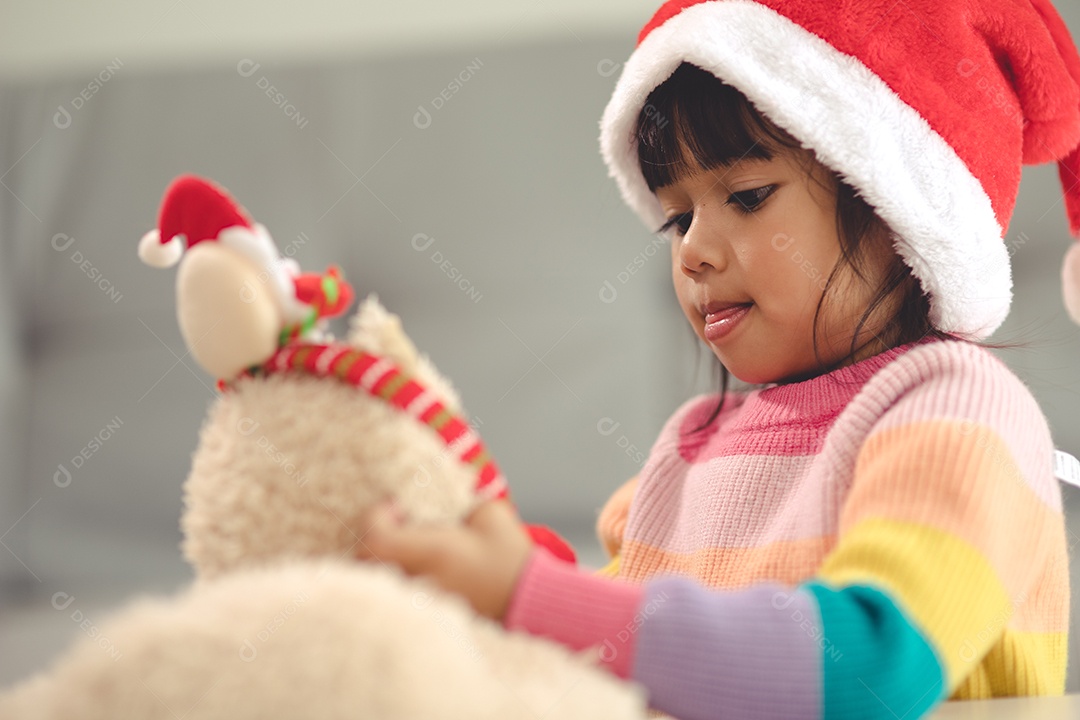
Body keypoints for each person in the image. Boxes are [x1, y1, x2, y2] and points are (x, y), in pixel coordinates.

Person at [357, 1, 1080, 717]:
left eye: (746, 196)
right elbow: (618, 647)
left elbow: (871, 667)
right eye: (678, 217)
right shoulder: (691, 445)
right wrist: (499, 583)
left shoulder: (958, 408)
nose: (693, 252)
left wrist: (534, 596)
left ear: (896, 209)